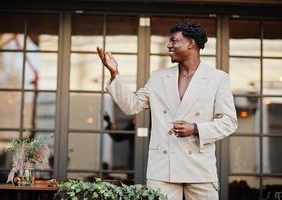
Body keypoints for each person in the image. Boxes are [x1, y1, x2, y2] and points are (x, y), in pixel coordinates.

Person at [97, 22, 237, 200]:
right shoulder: (158, 78)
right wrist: (115, 74)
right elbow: (132, 105)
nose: (169, 45)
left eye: (174, 41)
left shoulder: (218, 79)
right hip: (163, 167)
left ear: (191, 43)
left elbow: (229, 122)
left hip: (200, 167)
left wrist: (195, 128)